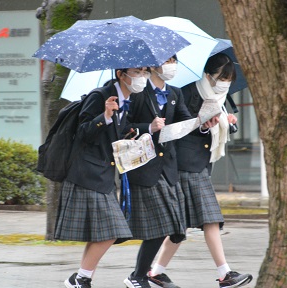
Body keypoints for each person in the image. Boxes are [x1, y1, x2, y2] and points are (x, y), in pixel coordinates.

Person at [148, 53, 253, 288]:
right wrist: (202, 124)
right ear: (208, 74)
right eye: (221, 77)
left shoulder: (219, 97)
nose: (225, 82)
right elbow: (179, 128)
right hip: (187, 163)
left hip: (200, 163)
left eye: (229, 78)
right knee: (211, 219)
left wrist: (226, 121)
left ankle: (154, 271)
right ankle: (225, 273)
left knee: (179, 226)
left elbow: (214, 128)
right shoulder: (188, 91)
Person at [57, 67, 151, 288]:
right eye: (137, 72)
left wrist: (138, 131)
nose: (142, 77)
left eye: (145, 72)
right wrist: (105, 116)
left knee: (102, 233)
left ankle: (81, 279)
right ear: (121, 74)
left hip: (105, 174)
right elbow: (83, 132)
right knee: (112, 231)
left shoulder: (127, 99)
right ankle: (80, 278)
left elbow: (118, 132)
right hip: (88, 174)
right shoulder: (99, 96)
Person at [122, 56, 191, 288]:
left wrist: (203, 123)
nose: (171, 65)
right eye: (166, 60)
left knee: (174, 227)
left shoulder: (175, 93)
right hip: (144, 167)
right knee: (161, 225)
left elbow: (184, 121)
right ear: (152, 66)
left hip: (168, 168)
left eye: (174, 60)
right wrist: (147, 128)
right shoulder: (138, 92)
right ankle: (139, 276)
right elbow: (124, 126)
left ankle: (144, 274)